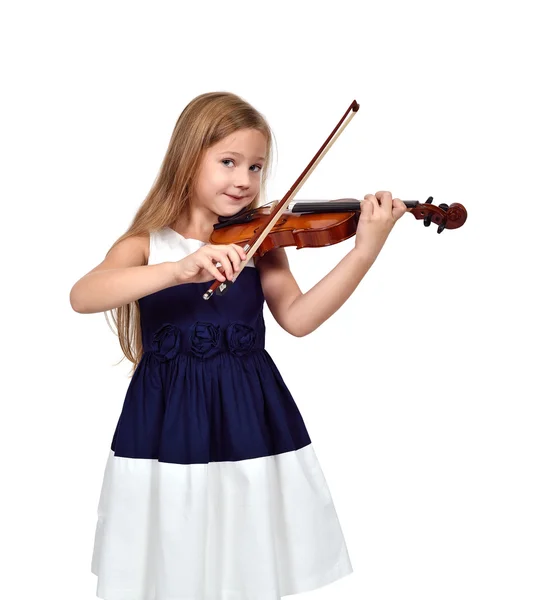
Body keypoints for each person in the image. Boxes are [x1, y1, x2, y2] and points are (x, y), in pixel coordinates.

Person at [70, 91, 407, 600]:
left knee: (247, 553)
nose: (245, 180)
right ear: (189, 159)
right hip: (168, 420)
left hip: (249, 415)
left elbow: (298, 317)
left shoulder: (258, 245)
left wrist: (365, 250)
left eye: (256, 166)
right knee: (170, 549)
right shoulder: (147, 243)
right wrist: (178, 268)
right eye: (228, 162)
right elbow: (83, 295)